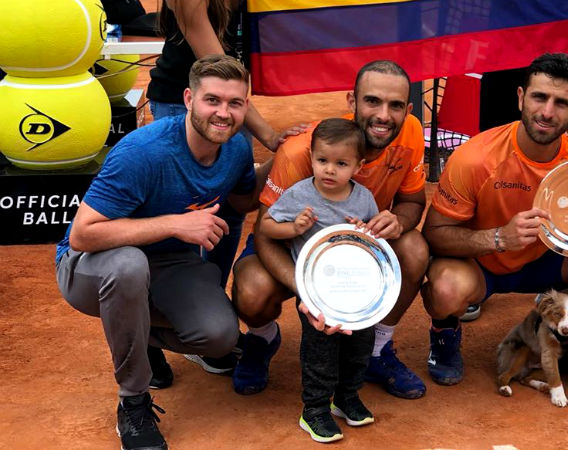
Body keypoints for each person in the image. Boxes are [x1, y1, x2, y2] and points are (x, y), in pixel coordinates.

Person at [55, 55, 256, 450]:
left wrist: (293, 159)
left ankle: (138, 332)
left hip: (167, 262)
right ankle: (133, 401)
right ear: (188, 98)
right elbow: (82, 235)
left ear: (246, 105)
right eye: (212, 100)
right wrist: (174, 224)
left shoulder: (237, 149)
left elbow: (244, 200)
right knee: (128, 265)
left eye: (235, 103)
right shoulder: (144, 151)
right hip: (91, 265)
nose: (223, 113)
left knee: (219, 336)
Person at [420, 53, 568, 387]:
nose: (548, 112)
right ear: (521, 96)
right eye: (539, 97)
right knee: (445, 289)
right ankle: (444, 333)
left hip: (551, 264)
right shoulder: (476, 158)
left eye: (561, 103)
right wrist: (498, 238)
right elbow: (434, 235)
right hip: (484, 264)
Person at [231, 60, 430, 399]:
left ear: (408, 109)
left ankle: (377, 350)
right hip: (292, 247)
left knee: (413, 249)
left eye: (395, 105)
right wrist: (307, 288)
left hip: (357, 255)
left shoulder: (410, 132)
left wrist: (399, 221)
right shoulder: (300, 151)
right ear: (352, 101)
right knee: (251, 289)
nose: (384, 115)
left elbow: (413, 202)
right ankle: (261, 338)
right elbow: (266, 233)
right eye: (372, 101)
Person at [147, 0, 305, 377]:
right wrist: (267, 134)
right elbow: (214, 63)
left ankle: (203, 317)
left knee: (229, 214)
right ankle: (150, 333)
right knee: (182, 222)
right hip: (185, 105)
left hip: (232, 104)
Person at [259, 118, 379, 442]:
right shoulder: (300, 194)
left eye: (341, 164)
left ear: (358, 165)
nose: (329, 170)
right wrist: (294, 228)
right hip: (316, 292)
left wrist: (363, 230)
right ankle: (313, 409)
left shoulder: (364, 199)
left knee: (358, 345)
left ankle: (346, 397)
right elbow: (266, 227)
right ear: (311, 156)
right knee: (320, 350)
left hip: (355, 291)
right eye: (322, 160)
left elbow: (374, 246)